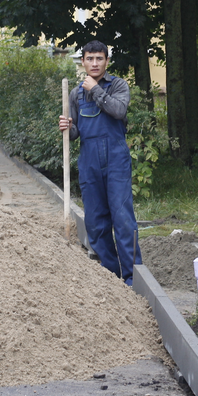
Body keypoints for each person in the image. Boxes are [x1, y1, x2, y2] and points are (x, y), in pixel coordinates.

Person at [58, 40, 142, 285]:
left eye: (99, 59)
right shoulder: (75, 94)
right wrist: (67, 127)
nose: (94, 63)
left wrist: (95, 89)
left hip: (116, 160)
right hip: (90, 163)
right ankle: (111, 276)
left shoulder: (117, 85)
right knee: (96, 223)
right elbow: (75, 135)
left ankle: (134, 277)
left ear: (107, 61)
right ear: (82, 61)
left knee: (123, 220)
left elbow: (118, 110)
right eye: (90, 59)